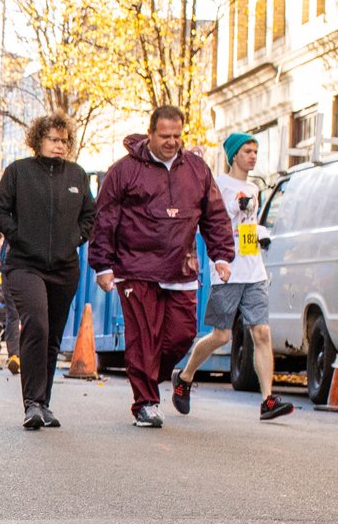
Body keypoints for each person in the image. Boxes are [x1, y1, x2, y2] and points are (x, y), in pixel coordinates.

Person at [90, 105, 232, 428]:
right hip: (135, 267)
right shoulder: (124, 170)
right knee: (143, 337)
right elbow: (105, 219)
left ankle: (153, 376)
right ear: (150, 133)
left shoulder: (196, 170)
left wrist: (221, 255)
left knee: (181, 335)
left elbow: (214, 214)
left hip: (180, 268)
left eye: (177, 136)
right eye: (165, 136)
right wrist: (102, 265)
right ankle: (146, 402)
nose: (171, 142)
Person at [172, 134, 296, 422]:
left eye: (255, 151)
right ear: (233, 156)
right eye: (246, 151)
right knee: (221, 335)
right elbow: (209, 225)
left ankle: (267, 400)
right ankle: (185, 376)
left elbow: (247, 227)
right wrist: (232, 214)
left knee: (262, 333)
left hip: (253, 270)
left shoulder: (253, 188)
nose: (253, 156)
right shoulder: (218, 184)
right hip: (227, 270)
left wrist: (259, 236)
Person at [0, 114, 96, 429]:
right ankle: (32, 403)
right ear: (38, 140)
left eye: (64, 140)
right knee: (36, 323)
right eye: (53, 139)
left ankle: (44, 402)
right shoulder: (18, 172)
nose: (59, 145)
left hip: (64, 268)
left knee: (52, 335)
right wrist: (19, 235)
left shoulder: (77, 175)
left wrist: (74, 239)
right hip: (24, 264)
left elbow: (90, 214)